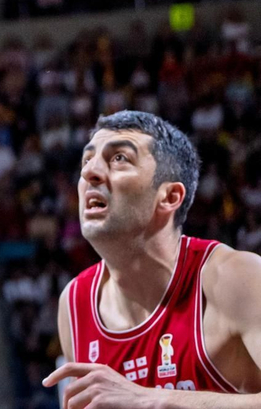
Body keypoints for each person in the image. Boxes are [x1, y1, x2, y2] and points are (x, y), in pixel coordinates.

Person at [46, 111, 261, 407]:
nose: (89, 173)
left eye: (119, 158)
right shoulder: (74, 304)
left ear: (169, 197)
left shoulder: (236, 278)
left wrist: (153, 400)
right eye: (87, 160)